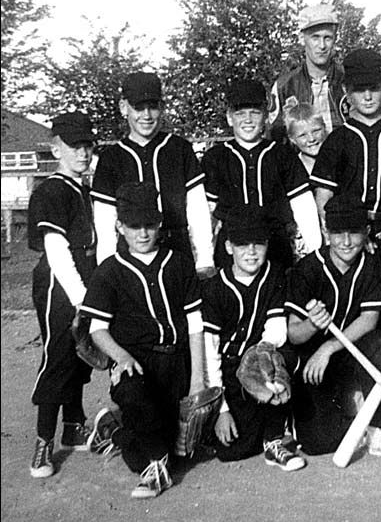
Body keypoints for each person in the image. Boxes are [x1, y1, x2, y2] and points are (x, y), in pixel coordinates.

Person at [80, 182, 206, 499]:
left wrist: (195, 381)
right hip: (135, 364)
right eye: (134, 226)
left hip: (176, 362)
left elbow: (194, 323)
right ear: (120, 226)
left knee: (185, 451)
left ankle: (113, 429)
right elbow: (97, 329)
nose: (143, 233)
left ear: (159, 222)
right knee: (147, 449)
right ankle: (154, 469)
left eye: (149, 224)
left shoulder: (178, 262)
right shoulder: (110, 271)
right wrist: (121, 357)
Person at [285, 195, 381, 467]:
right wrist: (312, 324)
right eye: (337, 233)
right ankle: (357, 420)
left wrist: (329, 346)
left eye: (354, 232)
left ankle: (378, 428)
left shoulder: (369, 263)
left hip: (348, 349)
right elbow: (294, 334)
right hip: (314, 361)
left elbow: (369, 319)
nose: (346, 242)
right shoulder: (307, 269)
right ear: (325, 231)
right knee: (318, 444)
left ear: (366, 232)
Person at [201, 208, 305, 471]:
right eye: (241, 244)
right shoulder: (214, 288)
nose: (251, 251)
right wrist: (221, 410)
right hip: (227, 366)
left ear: (267, 244)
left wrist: (262, 354)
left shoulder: (274, 274)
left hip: (260, 357)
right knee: (234, 449)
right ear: (228, 246)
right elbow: (209, 352)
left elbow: (277, 327)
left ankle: (274, 440)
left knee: (281, 358)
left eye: (258, 243)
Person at [27, 112, 98, 478]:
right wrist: (82, 299)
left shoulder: (82, 188)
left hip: (83, 281)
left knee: (80, 354)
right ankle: (43, 442)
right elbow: (56, 251)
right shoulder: (51, 190)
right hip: (60, 283)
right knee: (58, 355)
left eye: (87, 145)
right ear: (56, 147)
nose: (83, 153)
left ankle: (74, 426)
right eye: (74, 146)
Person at [90, 71, 215, 279]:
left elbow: (197, 209)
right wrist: (106, 272)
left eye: (153, 107)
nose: (146, 116)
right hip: (129, 256)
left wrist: (204, 259)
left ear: (162, 107)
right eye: (138, 108)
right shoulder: (111, 158)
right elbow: (105, 223)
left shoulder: (179, 149)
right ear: (124, 108)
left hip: (176, 249)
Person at [201, 79, 322, 269]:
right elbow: (207, 212)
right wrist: (204, 258)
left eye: (255, 113)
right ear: (229, 117)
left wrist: (315, 253)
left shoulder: (282, 154)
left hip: (275, 246)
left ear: (266, 115)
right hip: (232, 247)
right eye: (240, 113)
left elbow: (303, 205)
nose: (248, 120)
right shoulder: (216, 157)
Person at [310, 48, 381, 256]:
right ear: (346, 91)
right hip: (354, 229)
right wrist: (342, 233)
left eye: (374, 88)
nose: (368, 97)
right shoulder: (338, 139)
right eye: (359, 90)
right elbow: (324, 196)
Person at [270, 4, 345, 142]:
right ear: (302, 39)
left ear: (335, 39)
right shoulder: (284, 86)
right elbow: (274, 136)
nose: (322, 46)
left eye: (327, 38)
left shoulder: (348, 80)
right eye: (315, 37)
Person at [285, 102, 328, 176]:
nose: (311, 139)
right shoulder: (291, 171)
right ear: (292, 139)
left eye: (316, 131)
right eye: (303, 135)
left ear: (324, 128)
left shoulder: (340, 161)